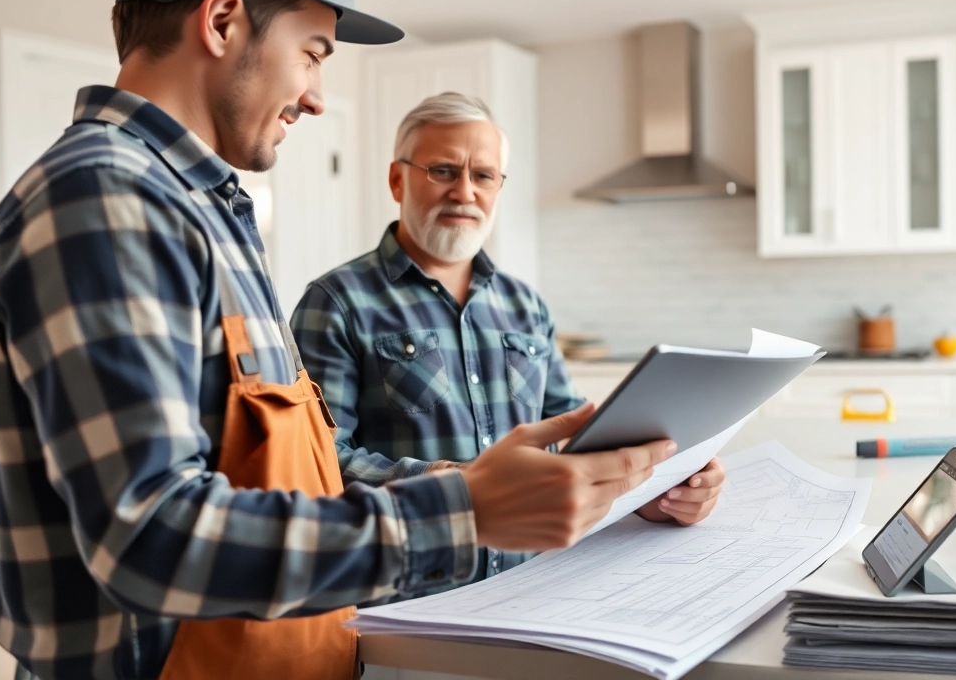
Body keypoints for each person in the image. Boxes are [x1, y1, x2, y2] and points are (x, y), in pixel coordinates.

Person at [0, 0, 673, 678]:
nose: (317, 98)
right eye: (312, 54)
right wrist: (466, 514)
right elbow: (150, 537)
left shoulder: (194, 208)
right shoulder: (106, 200)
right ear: (224, 20)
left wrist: (488, 484)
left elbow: (293, 474)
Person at [290, 92, 726, 588]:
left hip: (533, 589)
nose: (464, 192)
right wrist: (463, 489)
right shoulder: (336, 302)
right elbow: (316, 461)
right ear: (397, 179)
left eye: (483, 176)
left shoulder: (526, 306)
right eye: (443, 171)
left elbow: (575, 443)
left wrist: (656, 489)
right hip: (410, 602)